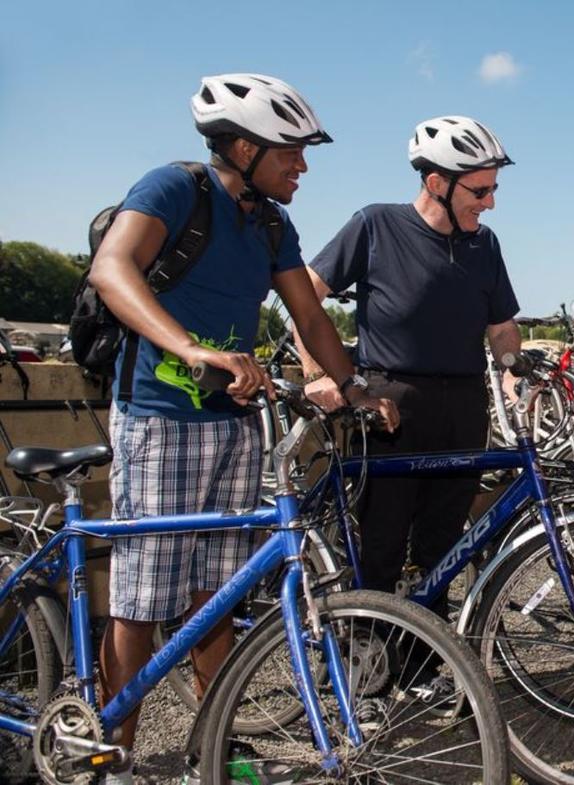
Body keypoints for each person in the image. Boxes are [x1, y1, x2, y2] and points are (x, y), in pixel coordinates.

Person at [89, 73, 397, 784]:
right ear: (244, 147)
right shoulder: (174, 189)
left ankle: (214, 741)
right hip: (159, 418)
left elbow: (312, 316)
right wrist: (192, 348)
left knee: (216, 596)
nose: (302, 165)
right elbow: (112, 268)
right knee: (140, 600)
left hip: (234, 423)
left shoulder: (270, 223)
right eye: (290, 150)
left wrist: (351, 386)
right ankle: (113, 753)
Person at [293, 116, 522, 622]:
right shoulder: (376, 224)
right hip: (389, 404)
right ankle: (365, 657)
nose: (490, 203)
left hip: (463, 406)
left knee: (444, 547)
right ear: (436, 183)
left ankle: (426, 666)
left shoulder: (486, 245)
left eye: (493, 189)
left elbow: (502, 325)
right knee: (382, 541)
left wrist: (511, 368)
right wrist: (319, 376)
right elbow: (304, 296)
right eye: (480, 191)